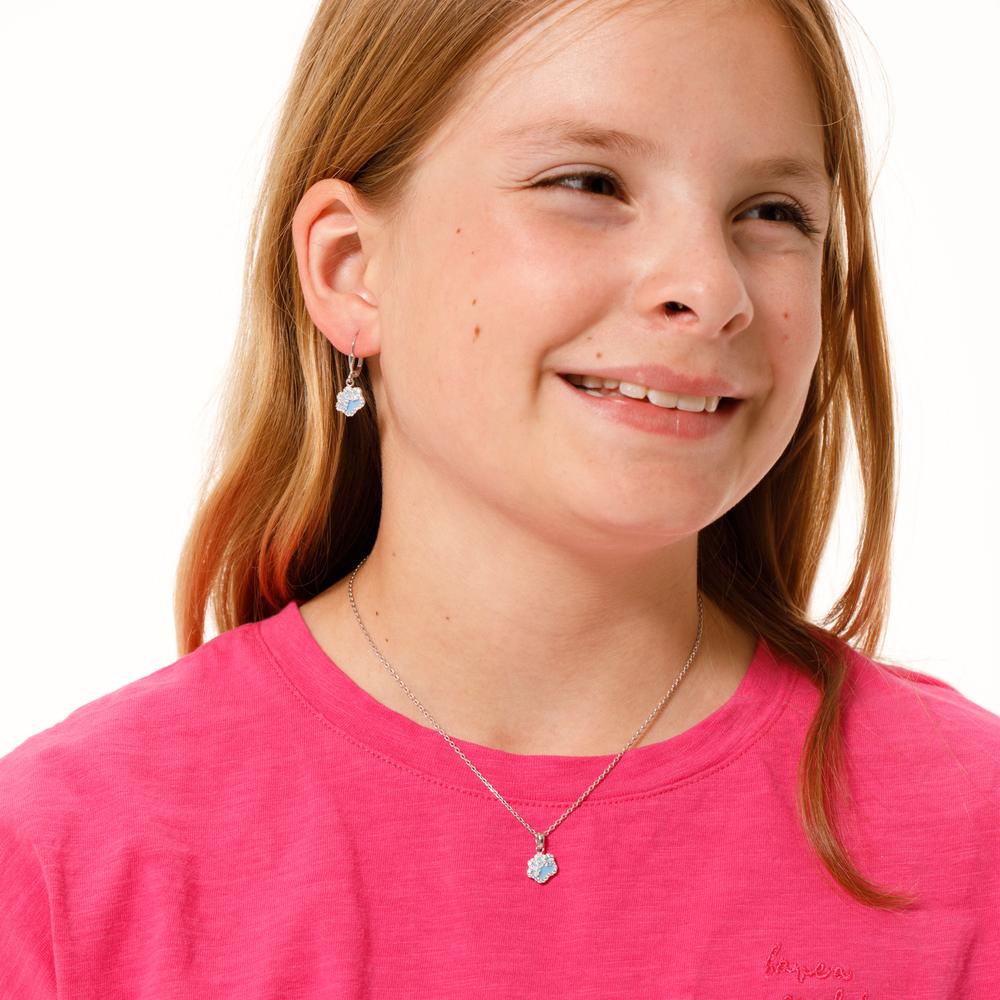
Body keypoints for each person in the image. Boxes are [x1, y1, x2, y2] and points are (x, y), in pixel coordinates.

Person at [2, 0, 997, 995]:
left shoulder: (971, 833)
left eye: (773, 212)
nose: (710, 287)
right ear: (350, 269)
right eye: (588, 184)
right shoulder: (64, 862)